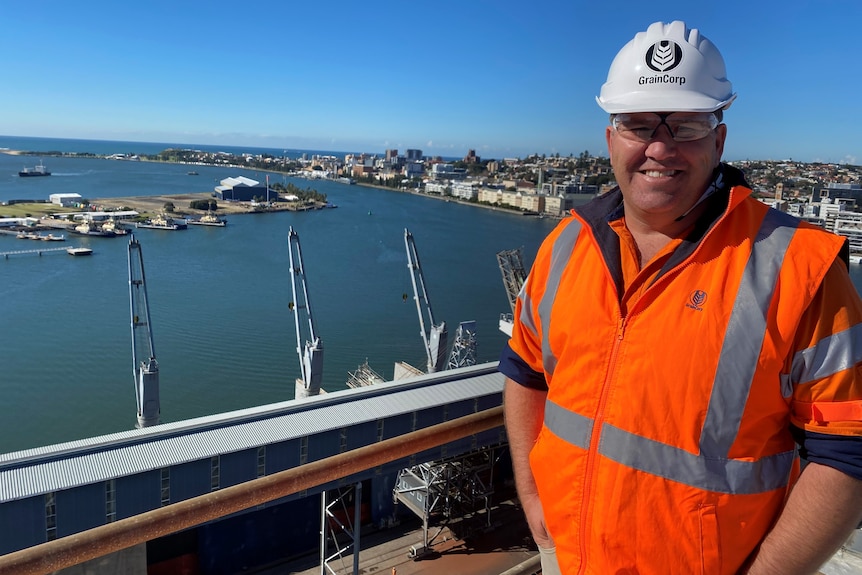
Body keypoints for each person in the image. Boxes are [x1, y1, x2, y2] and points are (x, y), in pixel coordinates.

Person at [500, 20, 862, 575]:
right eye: (639, 124)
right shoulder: (566, 245)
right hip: (567, 559)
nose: (660, 147)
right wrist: (532, 496)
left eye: (687, 125)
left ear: (718, 140)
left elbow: (849, 453)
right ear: (610, 138)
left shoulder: (800, 270)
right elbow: (525, 370)